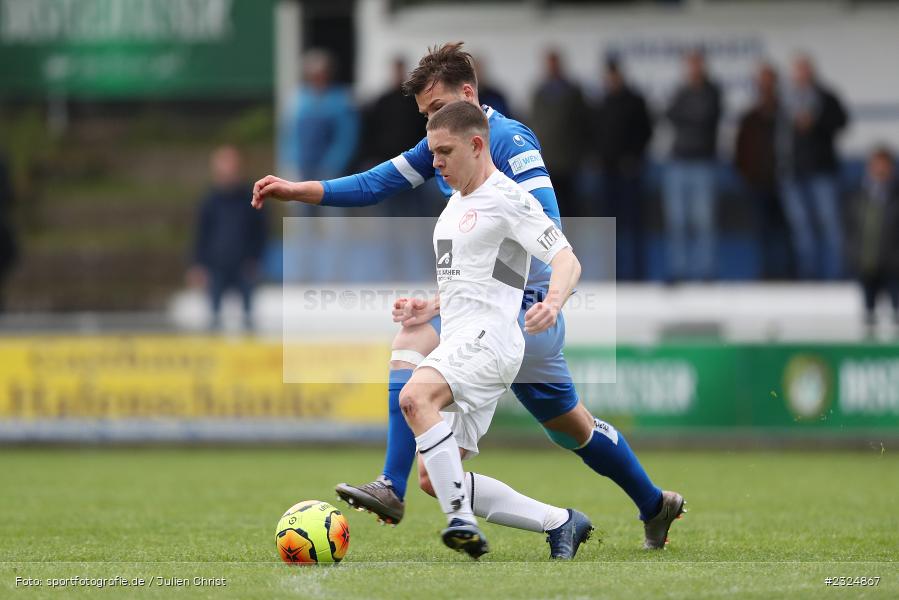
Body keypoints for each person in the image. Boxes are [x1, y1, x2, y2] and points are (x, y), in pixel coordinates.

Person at [252, 42, 684, 551]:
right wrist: (298, 189)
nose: (431, 131)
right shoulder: (443, 142)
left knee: (549, 420)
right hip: (487, 312)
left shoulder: (506, 139)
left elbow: (544, 233)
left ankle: (404, 488)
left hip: (526, 308)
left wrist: (514, 298)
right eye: (425, 117)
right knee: (566, 428)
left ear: (468, 95)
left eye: (436, 110)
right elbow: (376, 184)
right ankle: (651, 504)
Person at [399, 100, 591, 558]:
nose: (436, 162)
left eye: (444, 151)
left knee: (413, 397)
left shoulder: (509, 199)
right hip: (466, 342)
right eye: (432, 153)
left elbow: (567, 259)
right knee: (432, 478)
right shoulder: (451, 211)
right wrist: (430, 305)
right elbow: (487, 279)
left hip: (490, 341)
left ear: (477, 143)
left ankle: (460, 521)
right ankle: (560, 522)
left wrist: (553, 302)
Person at [779, 54, 849, 280]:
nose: (801, 75)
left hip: (822, 171)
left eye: (804, 70)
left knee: (830, 225)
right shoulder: (785, 99)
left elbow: (842, 122)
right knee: (801, 228)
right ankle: (808, 274)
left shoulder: (826, 97)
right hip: (793, 172)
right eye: (797, 71)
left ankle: (835, 273)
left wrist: (815, 121)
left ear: (812, 72)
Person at [589, 56, 653, 280]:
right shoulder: (602, 102)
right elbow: (594, 134)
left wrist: (634, 157)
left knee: (634, 224)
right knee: (609, 225)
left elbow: (646, 132)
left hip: (630, 172)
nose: (611, 80)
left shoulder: (635, 101)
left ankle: (637, 272)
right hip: (607, 172)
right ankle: (612, 271)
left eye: (614, 75)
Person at [190, 146, 267, 330]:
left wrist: (256, 259)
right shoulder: (209, 201)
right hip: (216, 265)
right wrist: (197, 264)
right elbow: (201, 234)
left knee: (248, 316)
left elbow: (261, 232)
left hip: (244, 264)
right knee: (214, 317)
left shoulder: (251, 197)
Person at [663, 49, 722, 281]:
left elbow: (704, 117)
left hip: (703, 164)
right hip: (678, 162)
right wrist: (688, 115)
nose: (693, 70)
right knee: (677, 222)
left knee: (704, 221)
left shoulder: (712, 91)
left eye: (697, 64)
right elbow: (668, 115)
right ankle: (679, 270)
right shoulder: (682, 91)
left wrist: (686, 115)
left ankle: (705, 270)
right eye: (690, 65)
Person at [734, 62, 792, 280]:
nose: (766, 87)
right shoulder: (750, 118)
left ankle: (789, 273)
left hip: (786, 182)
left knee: (789, 233)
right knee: (762, 233)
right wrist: (746, 174)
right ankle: (767, 274)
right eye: (762, 83)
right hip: (758, 183)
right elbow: (739, 150)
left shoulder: (786, 115)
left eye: (769, 82)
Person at [530, 49, 590, 217]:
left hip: (570, 162)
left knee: (572, 208)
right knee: (550, 209)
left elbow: (583, 124)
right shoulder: (540, 92)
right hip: (547, 162)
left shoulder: (573, 92)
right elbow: (535, 123)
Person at [846, 147, 899, 333]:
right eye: (876, 165)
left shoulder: (895, 195)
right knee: (868, 315)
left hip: (893, 267)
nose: (880, 170)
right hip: (866, 264)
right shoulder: (856, 195)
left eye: (884, 165)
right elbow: (850, 229)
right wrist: (854, 255)